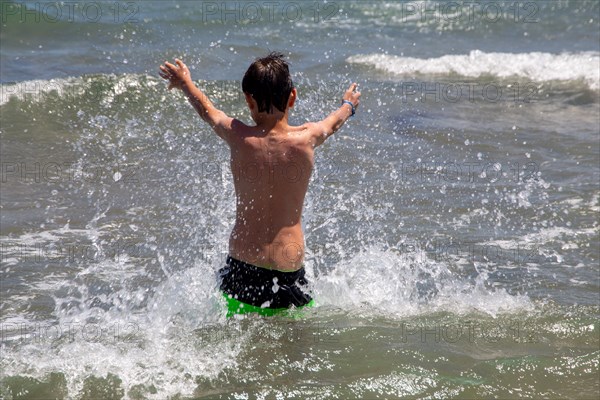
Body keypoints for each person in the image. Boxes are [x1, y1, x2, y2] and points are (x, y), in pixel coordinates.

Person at [159, 52, 360, 316]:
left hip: (243, 268)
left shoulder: (238, 135)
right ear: (293, 98)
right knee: (292, 341)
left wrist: (185, 83)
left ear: (248, 100)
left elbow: (208, 111)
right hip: (287, 270)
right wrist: (349, 104)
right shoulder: (307, 137)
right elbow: (333, 124)